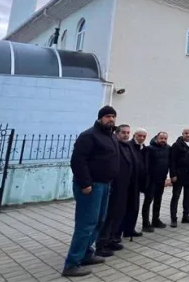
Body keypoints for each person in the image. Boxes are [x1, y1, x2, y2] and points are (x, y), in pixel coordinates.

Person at [62, 106, 120, 278]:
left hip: (104, 185)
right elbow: (78, 161)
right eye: (108, 116)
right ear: (101, 117)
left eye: (113, 117)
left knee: (98, 221)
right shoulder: (89, 136)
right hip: (91, 186)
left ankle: (87, 254)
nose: (111, 119)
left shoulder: (109, 136)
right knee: (86, 224)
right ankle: (72, 264)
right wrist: (85, 183)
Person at [96, 124, 137, 255]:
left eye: (128, 133)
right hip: (115, 186)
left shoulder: (128, 146)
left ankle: (113, 238)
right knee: (109, 216)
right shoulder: (114, 146)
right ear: (117, 133)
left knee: (120, 214)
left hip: (126, 187)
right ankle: (102, 243)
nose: (126, 135)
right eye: (123, 132)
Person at [169, 128, 189, 227]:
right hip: (179, 175)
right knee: (176, 197)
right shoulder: (176, 145)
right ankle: (173, 219)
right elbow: (172, 161)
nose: (188, 135)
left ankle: (185, 216)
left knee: (187, 197)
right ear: (182, 134)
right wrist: (173, 174)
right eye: (186, 133)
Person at [121, 127, 148, 239]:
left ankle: (130, 229)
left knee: (134, 207)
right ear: (134, 136)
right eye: (139, 136)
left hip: (139, 182)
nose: (141, 138)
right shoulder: (129, 146)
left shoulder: (144, 148)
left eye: (143, 136)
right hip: (129, 182)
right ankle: (120, 230)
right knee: (125, 208)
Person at [141, 132, 170, 232]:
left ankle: (155, 220)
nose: (163, 140)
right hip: (151, 180)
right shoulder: (149, 149)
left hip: (161, 179)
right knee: (148, 202)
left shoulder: (168, 148)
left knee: (158, 200)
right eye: (161, 138)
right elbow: (145, 165)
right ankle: (145, 223)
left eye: (165, 138)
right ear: (156, 138)